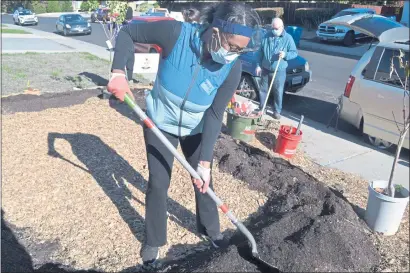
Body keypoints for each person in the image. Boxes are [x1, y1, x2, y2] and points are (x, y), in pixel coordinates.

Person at [106, 1, 261, 266]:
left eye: (241, 50)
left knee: (203, 181)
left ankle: (212, 231)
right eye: (233, 47)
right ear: (215, 31)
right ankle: (154, 240)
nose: (235, 54)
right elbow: (128, 31)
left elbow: (214, 114)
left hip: (196, 128)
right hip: (160, 123)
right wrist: (119, 72)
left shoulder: (232, 68)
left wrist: (204, 163)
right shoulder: (175, 34)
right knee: (158, 183)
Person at [256, 17, 298, 120]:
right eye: (272, 28)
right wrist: (258, 65)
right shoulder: (266, 37)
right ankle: (262, 108)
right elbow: (260, 52)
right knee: (263, 90)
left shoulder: (288, 38)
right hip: (265, 69)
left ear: (282, 27)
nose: (274, 31)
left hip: (279, 70)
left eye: (276, 28)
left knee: (278, 91)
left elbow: (294, 53)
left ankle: (277, 111)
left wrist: (285, 54)